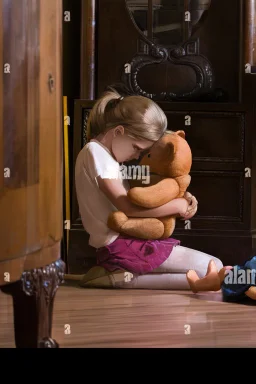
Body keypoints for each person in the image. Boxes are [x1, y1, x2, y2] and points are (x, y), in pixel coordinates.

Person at [75, 88, 223, 290]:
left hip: (130, 239)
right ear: (119, 132)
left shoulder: (108, 158)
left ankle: (117, 275)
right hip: (120, 244)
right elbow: (127, 207)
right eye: (136, 148)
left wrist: (183, 196)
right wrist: (175, 206)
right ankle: (114, 278)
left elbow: (148, 189)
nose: (137, 156)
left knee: (213, 270)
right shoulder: (96, 154)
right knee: (212, 268)